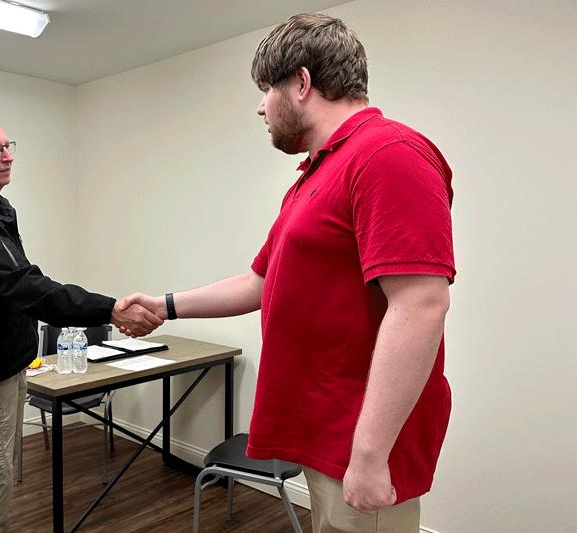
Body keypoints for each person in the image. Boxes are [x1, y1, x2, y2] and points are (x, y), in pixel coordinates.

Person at [118, 13, 455, 533]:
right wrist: (164, 307)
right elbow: (259, 282)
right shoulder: (316, 175)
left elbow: (421, 304)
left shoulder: (388, 154)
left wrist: (367, 454)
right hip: (323, 433)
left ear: (300, 83)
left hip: (359, 441)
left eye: (264, 89)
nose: (259, 106)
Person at [0, 112, 162, 533]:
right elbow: (26, 287)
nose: (7, 156)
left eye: (7, 145)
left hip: (7, 371)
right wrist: (109, 309)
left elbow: (18, 286)